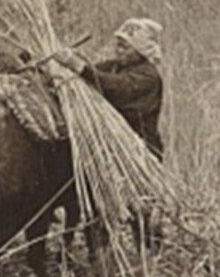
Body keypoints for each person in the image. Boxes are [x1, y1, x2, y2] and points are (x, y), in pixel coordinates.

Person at [56, 17, 166, 247]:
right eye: (118, 44)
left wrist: (80, 68)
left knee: (140, 210)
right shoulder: (115, 66)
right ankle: (101, 258)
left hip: (138, 151)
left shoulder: (148, 77)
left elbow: (116, 87)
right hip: (109, 150)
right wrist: (64, 62)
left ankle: (147, 253)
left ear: (140, 50)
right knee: (98, 207)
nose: (119, 50)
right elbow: (94, 74)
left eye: (125, 46)